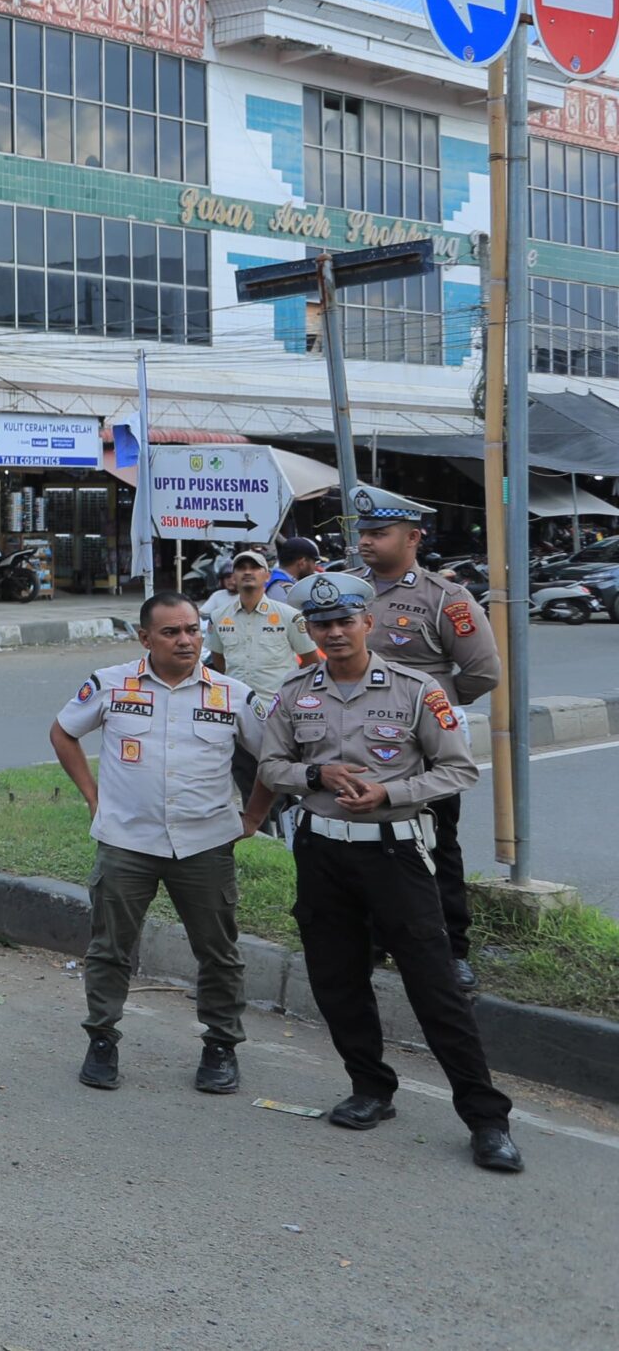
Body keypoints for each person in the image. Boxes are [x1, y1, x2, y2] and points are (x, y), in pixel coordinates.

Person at [257, 572, 523, 1174]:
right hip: (322, 853)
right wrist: (314, 777)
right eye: (322, 624)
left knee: (435, 986)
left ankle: (486, 1119)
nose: (335, 632)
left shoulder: (416, 688)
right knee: (336, 978)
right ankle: (371, 1088)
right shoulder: (294, 691)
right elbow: (272, 764)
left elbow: (458, 771)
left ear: (366, 623)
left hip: (394, 854)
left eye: (345, 620)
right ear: (311, 630)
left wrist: (389, 792)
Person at [50, 592, 267, 1096]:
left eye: (193, 629)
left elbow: (273, 756)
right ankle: (102, 1038)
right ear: (144, 638)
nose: (186, 640)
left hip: (205, 844)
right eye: (171, 632)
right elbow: (63, 733)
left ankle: (221, 1046)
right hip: (127, 841)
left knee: (218, 952)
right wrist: (92, 797)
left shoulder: (233, 693)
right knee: (110, 948)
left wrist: (254, 815)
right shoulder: (110, 684)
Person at [352, 483, 498, 992]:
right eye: (362, 532)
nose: (365, 542)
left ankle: (450, 950)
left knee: (435, 847)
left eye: (378, 532)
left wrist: (422, 703)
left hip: (422, 748)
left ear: (413, 537)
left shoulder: (445, 598)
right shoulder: (346, 589)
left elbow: (481, 673)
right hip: (351, 746)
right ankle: (370, 941)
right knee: (361, 846)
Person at [203, 548, 321, 818]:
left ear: (266, 576)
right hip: (238, 715)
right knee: (246, 777)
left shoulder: (289, 615)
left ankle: (286, 829)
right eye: (241, 567)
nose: (247, 572)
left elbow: (311, 661)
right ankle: (260, 830)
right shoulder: (220, 616)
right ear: (232, 576)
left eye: (254, 567)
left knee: (281, 780)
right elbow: (219, 661)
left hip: (276, 714)